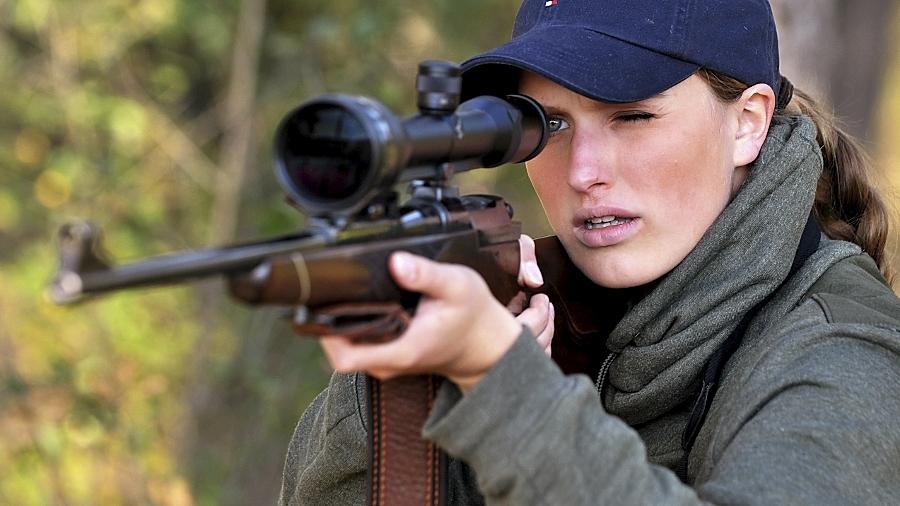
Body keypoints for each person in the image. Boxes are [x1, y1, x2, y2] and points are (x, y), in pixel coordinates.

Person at [278, 0, 900, 504]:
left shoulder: (844, 352)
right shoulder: (556, 307)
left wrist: (499, 383)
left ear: (748, 123)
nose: (583, 172)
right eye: (550, 125)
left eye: (632, 117)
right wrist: (411, 381)